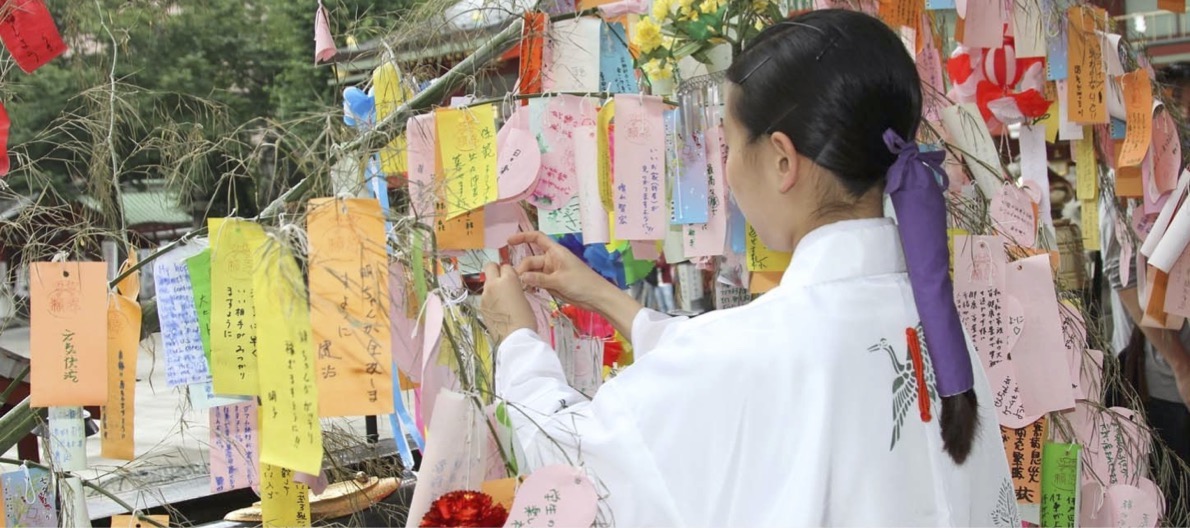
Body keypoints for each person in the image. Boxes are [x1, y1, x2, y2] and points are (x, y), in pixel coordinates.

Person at [480, 10, 1017, 526]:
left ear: (782, 160)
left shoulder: (757, 348)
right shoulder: (942, 333)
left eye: (730, 145)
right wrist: (602, 295)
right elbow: (730, 363)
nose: (728, 170)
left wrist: (516, 343)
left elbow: (574, 470)